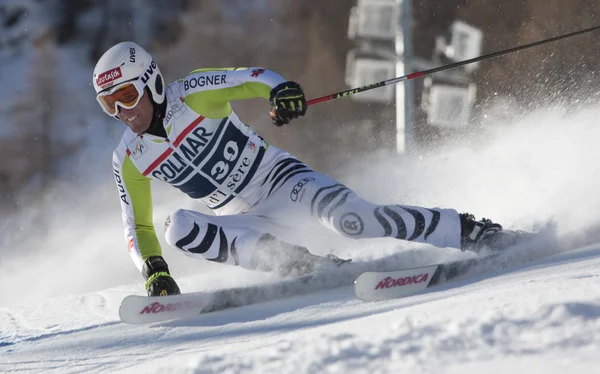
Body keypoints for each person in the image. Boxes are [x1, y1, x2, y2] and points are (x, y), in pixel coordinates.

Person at [93, 42, 521, 297]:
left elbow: (250, 77)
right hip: (246, 221)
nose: (122, 112)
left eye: (126, 96)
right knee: (178, 226)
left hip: (284, 182)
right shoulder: (129, 158)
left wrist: (280, 91)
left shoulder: (192, 94)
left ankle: (468, 231)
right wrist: (153, 270)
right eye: (109, 104)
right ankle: (304, 266)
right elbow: (136, 227)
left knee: (355, 221)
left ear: (150, 81)